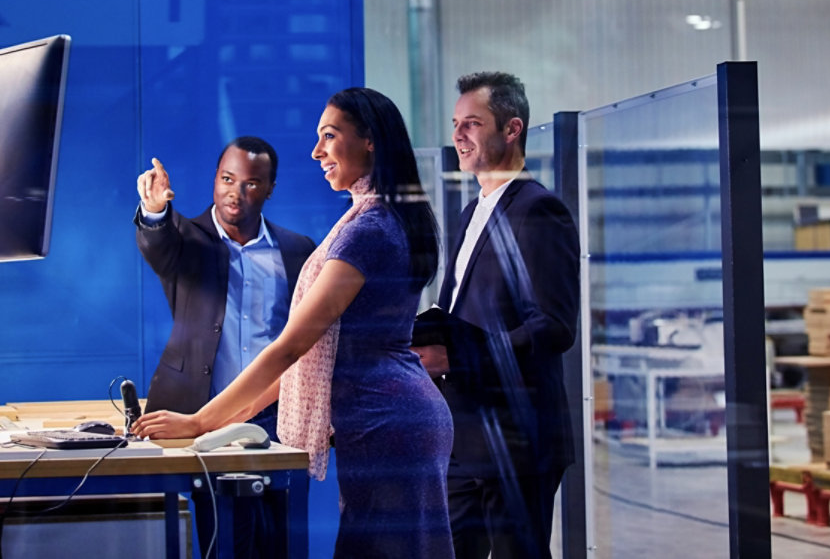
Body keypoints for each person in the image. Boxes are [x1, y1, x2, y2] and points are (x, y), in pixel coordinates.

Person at [134, 88, 455, 558]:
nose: (316, 151)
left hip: (388, 426)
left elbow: (291, 348)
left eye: (329, 136)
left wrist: (201, 421)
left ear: (370, 141)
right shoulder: (370, 218)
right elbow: (295, 367)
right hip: (384, 421)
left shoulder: (368, 229)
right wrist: (210, 423)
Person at [412, 72, 580, 559]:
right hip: (466, 438)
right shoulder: (471, 212)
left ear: (512, 129)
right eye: (455, 124)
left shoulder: (539, 209)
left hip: (518, 441)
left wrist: (458, 358)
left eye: (472, 124)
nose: (458, 135)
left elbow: (553, 325)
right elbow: (460, 312)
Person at [135, 136, 316, 558]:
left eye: (251, 183)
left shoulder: (297, 250)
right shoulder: (185, 238)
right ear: (215, 179)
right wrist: (156, 210)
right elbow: (155, 244)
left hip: (277, 417)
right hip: (205, 414)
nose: (235, 192)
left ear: (270, 188)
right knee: (227, 541)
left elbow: (307, 339)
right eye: (227, 179)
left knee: (282, 542)